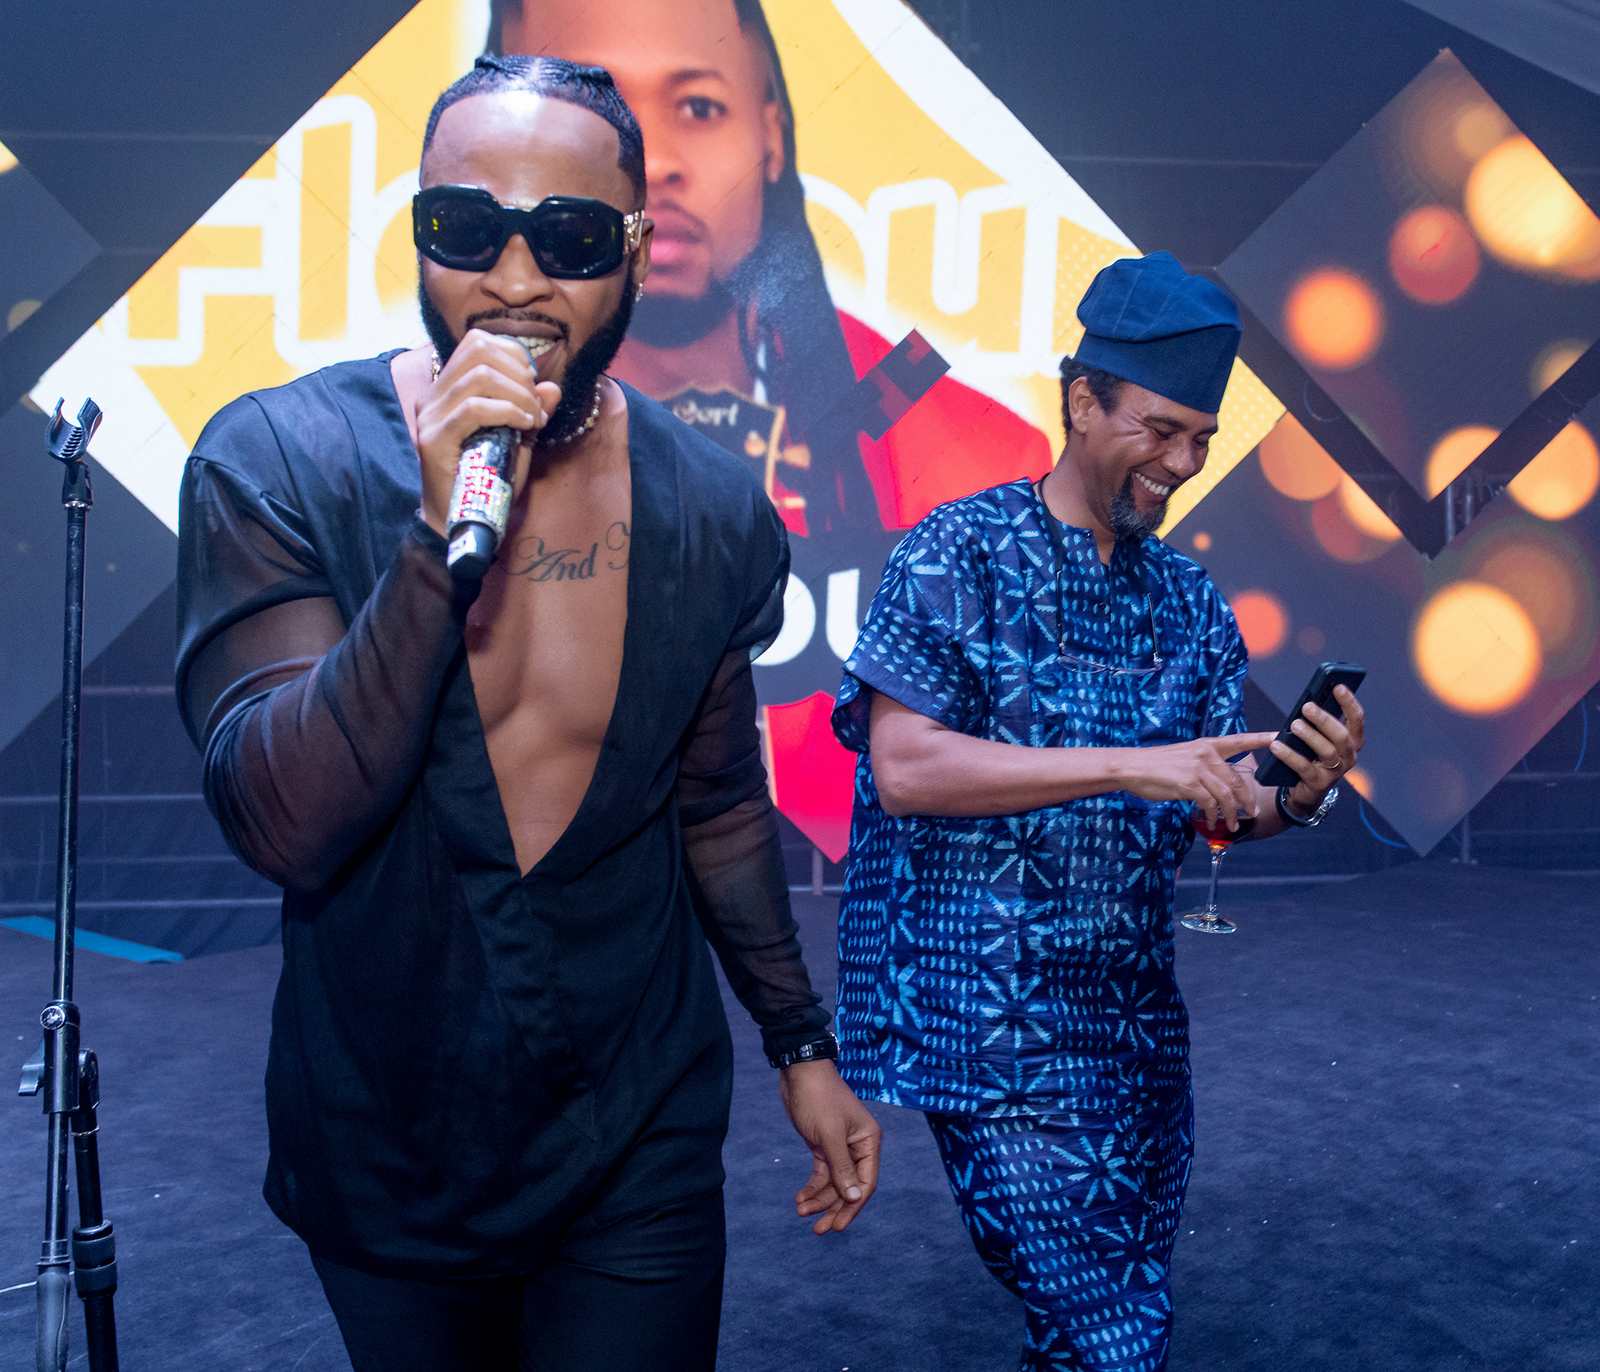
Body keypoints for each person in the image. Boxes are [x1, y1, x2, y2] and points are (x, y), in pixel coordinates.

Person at [175, 56, 879, 1372]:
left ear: (636, 251)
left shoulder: (713, 507)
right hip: (393, 1126)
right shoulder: (276, 461)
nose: (511, 280)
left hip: (637, 1122)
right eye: (465, 227)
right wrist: (435, 534)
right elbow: (286, 823)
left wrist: (802, 1045)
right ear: (417, 231)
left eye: (567, 238)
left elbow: (719, 804)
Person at [830, 252, 1366, 1372]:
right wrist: (1131, 764)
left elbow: (1213, 811)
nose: (1180, 464)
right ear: (1082, 399)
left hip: (1131, 1025)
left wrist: (1300, 792)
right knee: (1113, 1331)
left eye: (1199, 441)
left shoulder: (1189, 603)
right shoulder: (958, 553)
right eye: (1159, 430)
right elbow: (905, 769)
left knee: (1095, 1320)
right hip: (984, 1020)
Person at [490, 0, 1053, 538]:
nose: (654, 162)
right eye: (592, 112)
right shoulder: (453, 437)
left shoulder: (973, 461)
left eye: (699, 107)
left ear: (772, 136)